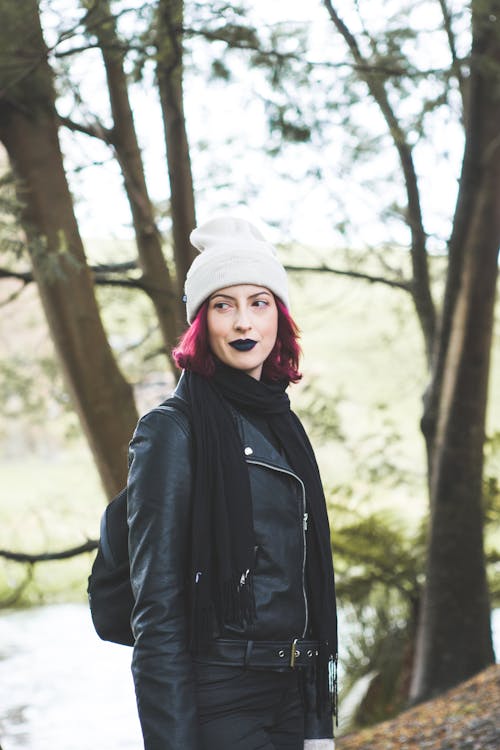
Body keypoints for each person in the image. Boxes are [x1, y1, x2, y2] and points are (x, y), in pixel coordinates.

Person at [127, 216, 338, 750]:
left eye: (259, 302)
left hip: (292, 691)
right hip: (221, 695)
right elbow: (157, 609)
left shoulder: (281, 422)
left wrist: (317, 724)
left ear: (279, 319)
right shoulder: (173, 430)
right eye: (224, 305)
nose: (244, 322)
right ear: (202, 323)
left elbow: (306, 586)